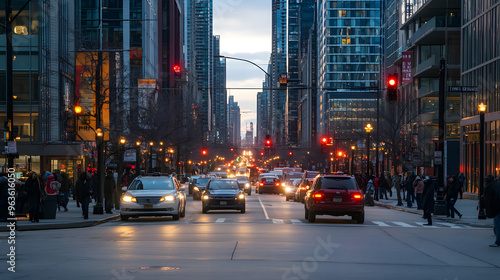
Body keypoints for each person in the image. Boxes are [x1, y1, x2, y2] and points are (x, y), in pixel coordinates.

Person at [484, 175, 500, 247]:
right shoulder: (495, 185)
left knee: (497, 226)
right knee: (497, 226)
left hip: (497, 209)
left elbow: (493, 200)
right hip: (497, 209)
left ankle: (498, 242)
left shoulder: (492, 187)